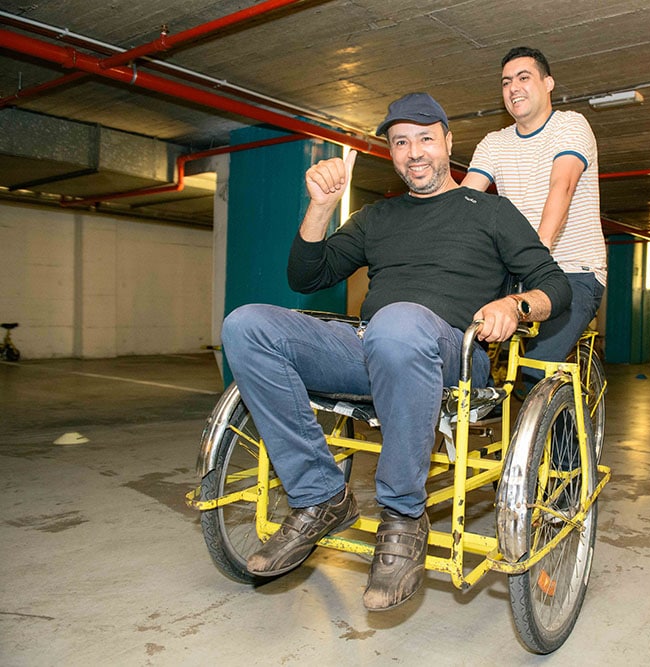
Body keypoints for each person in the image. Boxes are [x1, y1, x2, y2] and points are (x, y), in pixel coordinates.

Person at [221, 93, 571, 611]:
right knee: (247, 325)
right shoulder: (376, 217)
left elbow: (554, 286)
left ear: (448, 142)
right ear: (391, 152)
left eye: (425, 138)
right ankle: (319, 496)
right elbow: (306, 276)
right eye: (401, 142)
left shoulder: (492, 212)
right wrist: (320, 208)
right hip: (372, 348)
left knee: (398, 322)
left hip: (454, 354)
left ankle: (403, 514)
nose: (414, 152)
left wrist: (515, 305)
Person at [462, 46, 606, 381]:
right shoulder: (494, 143)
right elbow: (465, 201)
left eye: (523, 78)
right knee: (460, 341)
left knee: (534, 370)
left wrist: (537, 257)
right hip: (517, 272)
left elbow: (562, 187)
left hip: (574, 272)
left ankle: (556, 413)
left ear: (548, 83)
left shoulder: (570, 125)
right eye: (506, 82)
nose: (513, 87)